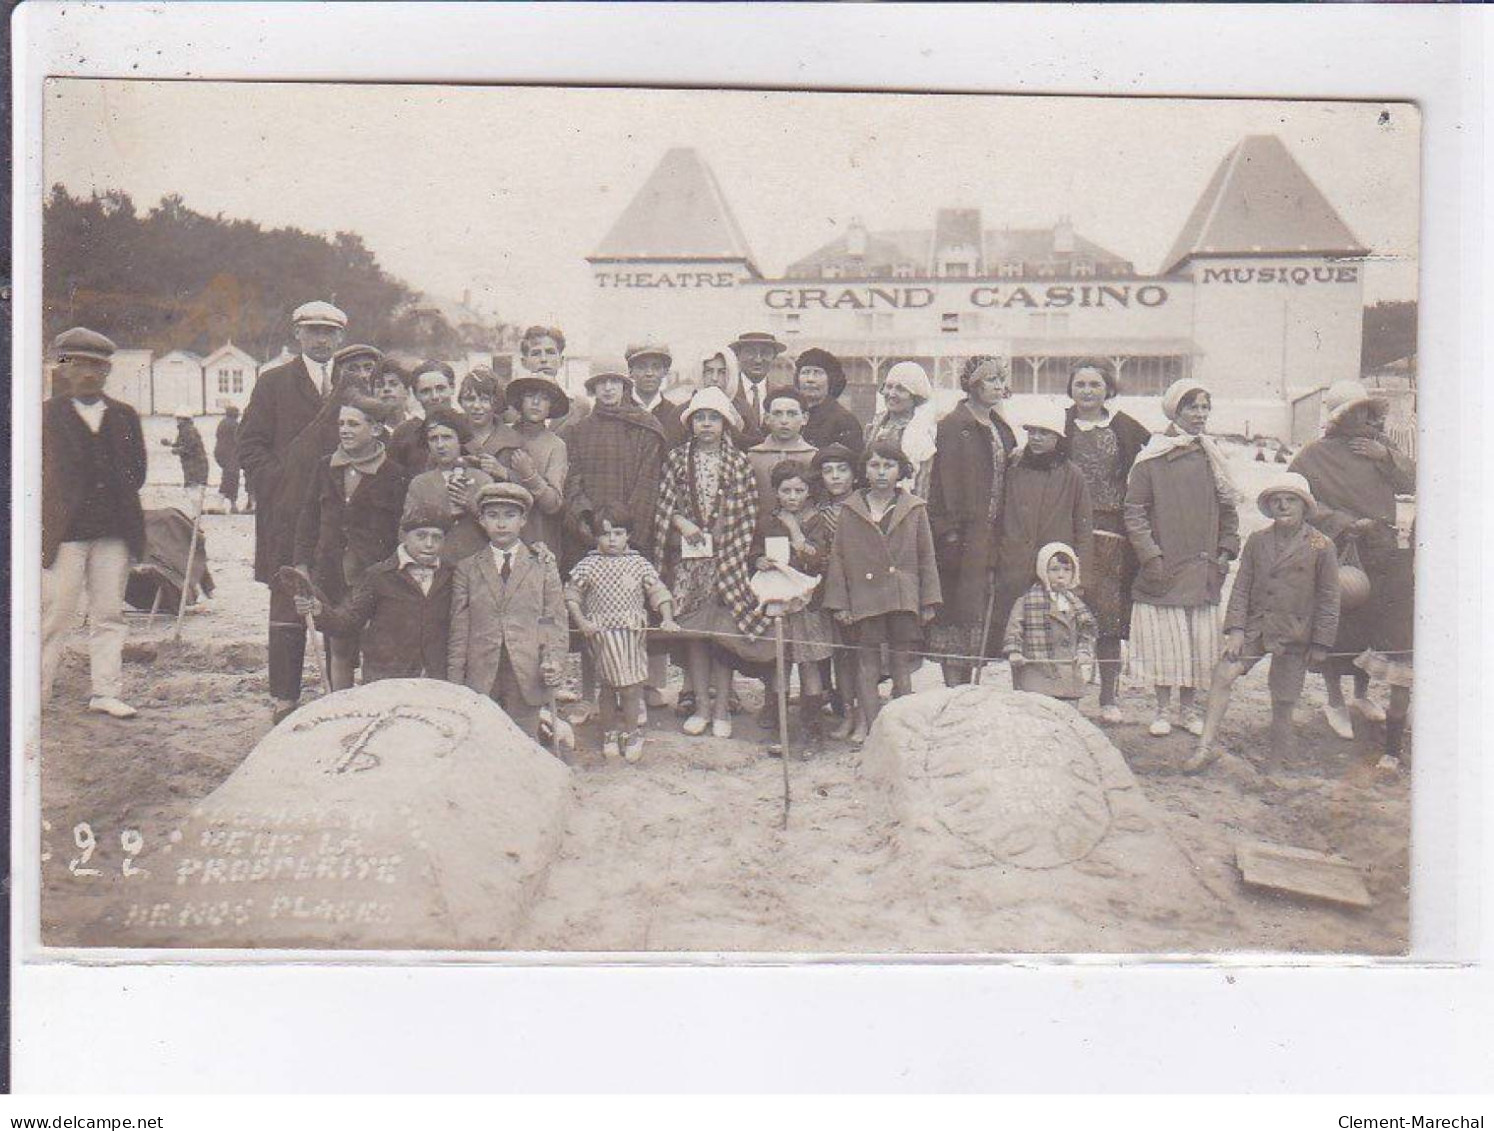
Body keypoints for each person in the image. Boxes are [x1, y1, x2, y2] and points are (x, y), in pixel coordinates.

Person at [238, 299, 347, 721]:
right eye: (313, 330)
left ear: (341, 336)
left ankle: (341, 695)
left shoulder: (352, 381)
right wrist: (279, 485)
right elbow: (249, 446)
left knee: (338, 596)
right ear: (297, 334)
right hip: (287, 514)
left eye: (330, 331)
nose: (322, 339)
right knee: (288, 601)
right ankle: (284, 698)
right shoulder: (274, 382)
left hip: (338, 513)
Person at [1289, 379, 1416, 740]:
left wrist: (1385, 457)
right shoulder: (1313, 454)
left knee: (1373, 623)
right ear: (1340, 418)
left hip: (1382, 549)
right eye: (1356, 411)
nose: (1364, 418)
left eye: (1367, 411)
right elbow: (1297, 501)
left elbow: (1414, 482)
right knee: (1336, 624)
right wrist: (1344, 523)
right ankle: (1334, 700)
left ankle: (1360, 695)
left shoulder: (1381, 448)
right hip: (1336, 551)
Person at [1190, 473, 1340, 773]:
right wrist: (1236, 629)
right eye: (1276, 501)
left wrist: (1322, 642)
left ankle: (1276, 761)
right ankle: (1204, 747)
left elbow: (1329, 598)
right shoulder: (1258, 541)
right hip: (1257, 627)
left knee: (1284, 699)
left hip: (1295, 633)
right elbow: (1242, 586)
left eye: (1290, 500)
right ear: (1269, 507)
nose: (1283, 506)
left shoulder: (1321, 546)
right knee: (1224, 673)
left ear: (1304, 506)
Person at [652, 386, 773, 739]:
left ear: (725, 424)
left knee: (721, 633)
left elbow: (747, 511)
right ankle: (702, 706)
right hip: (690, 561)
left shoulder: (737, 461)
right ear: (691, 423)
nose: (706, 425)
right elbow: (665, 504)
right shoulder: (677, 458)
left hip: (727, 558)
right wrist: (682, 523)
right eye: (700, 418)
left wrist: (726, 539)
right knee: (696, 634)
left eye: (713, 418)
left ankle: (722, 707)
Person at [1124, 379, 1242, 738]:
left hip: (1203, 561)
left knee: (1196, 641)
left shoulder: (1212, 455)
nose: (1200, 414)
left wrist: (1226, 548)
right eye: (1193, 407)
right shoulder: (1152, 456)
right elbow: (1134, 511)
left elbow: (1229, 507)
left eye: (1205, 407)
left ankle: (1188, 710)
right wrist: (1150, 555)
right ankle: (1161, 709)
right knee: (1165, 639)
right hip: (1165, 561)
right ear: (1175, 411)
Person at [41, 327, 147, 719]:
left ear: (108, 372)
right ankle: (37, 692)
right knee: (56, 614)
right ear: (62, 368)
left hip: (114, 533)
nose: (88, 373)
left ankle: (106, 691)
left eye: (97, 366)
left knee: (109, 614)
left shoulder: (124, 416)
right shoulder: (44, 416)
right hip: (64, 534)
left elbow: (138, 473)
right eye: (78, 364)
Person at [560, 360, 671, 718]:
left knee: (631, 617)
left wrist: (627, 532)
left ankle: (636, 695)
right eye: (600, 383)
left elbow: (647, 483)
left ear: (626, 386)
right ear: (592, 389)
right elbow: (571, 480)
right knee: (596, 616)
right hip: (591, 537)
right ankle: (594, 695)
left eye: (615, 382)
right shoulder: (577, 432)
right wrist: (589, 524)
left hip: (629, 539)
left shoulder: (645, 428)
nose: (608, 389)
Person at [823, 439, 942, 743]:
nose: (880, 472)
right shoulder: (851, 509)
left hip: (902, 596)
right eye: (874, 465)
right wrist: (840, 602)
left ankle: (901, 726)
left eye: (888, 466)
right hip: (865, 595)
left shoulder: (914, 508)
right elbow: (839, 557)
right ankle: (872, 724)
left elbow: (926, 555)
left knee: (901, 662)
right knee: (867, 663)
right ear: (864, 470)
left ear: (900, 470)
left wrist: (928, 599)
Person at [294, 396, 409, 692]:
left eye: (353, 424)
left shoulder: (394, 474)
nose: (344, 429)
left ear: (375, 429)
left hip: (375, 579)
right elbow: (308, 519)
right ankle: (339, 706)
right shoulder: (325, 467)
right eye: (341, 423)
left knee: (378, 650)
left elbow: (401, 529)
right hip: (332, 574)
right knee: (340, 648)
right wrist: (302, 565)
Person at [1063, 359, 1153, 723]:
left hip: (1112, 533)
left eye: (1094, 385)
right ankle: (1064, 694)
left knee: (1108, 619)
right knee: (1065, 610)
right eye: (1080, 384)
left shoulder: (1125, 428)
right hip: (1067, 531)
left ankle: (1108, 697)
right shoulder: (1059, 426)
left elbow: (1150, 467)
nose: (1086, 391)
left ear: (1108, 390)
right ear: (1071, 389)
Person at [448, 482, 568, 738]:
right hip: (481, 673)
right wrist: (455, 680)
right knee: (482, 740)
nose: (501, 524)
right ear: (480, 520)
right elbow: (460, 629)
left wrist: (551, 658)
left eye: (510, 516)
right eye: (493, 516)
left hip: (526, 670)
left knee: (524, 740)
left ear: (523, 519)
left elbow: (549, 618)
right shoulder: (468, 569)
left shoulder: (542, 565)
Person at [926, 355, 1017, 686]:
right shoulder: (955, 425)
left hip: (990, 535)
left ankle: (970, 689)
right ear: (973, 384)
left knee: (980, 611)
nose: (998, 386)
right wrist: (949, 533)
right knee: (955, 612)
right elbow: (945, 483)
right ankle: (954, 690)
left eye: (1000, 380)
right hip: (960, 536)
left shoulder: (1000, 427)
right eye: (990, 380)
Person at [565, 503, 680, 763]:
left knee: (630, 688)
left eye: (618, 533)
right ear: (596, 536)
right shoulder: (588, 564)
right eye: (605, 534)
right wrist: (582, 621)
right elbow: (572, 595)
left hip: (631, 635)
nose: (612, 540)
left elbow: (658, 593)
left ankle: (632, 732)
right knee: (606, 688)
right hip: (601, 636)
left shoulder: (638, 563)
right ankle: (609, 732)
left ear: (628, 534)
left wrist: (667, 618)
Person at [295, 508, 456, 683]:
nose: (429, 544)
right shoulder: (379, 576)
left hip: (436, 678)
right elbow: (348, 621)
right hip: (388, 678)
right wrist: (319, 611)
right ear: (404, 536)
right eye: (421, 536)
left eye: (437, 537)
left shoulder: (451, 575)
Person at [989, 400, 1095, 654]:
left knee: (1054, 637)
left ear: (1058, 437)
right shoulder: (1012, 469)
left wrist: (1080, 576)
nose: (1036, 438)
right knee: (1017, 638)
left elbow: (1084, 529)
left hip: (1055, 569)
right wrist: (995, 561)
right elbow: (998, 517)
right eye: (1032, 431)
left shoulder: (1072, 475)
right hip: (1014, 566)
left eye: (1044, 432)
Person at [752, 460, 836, 738]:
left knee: (809, 662)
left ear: (809, 492)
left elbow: (818, 558)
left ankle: (811, 722)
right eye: (786, 490)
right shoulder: (767, 521)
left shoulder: (816, 520)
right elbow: (753, 552)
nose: (792, 497)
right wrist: (759, 560)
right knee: (780, 661)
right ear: (776, 491)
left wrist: (795, 531)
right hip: (778, 601)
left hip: (807, 604)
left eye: (799, 491)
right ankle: (779, 722)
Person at [1003, 542, 1098, 702]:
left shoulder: (1076, 604)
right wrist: (1015, 652)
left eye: (1067, 570)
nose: (1061, 575)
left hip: (1068, 673)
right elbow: (1014, 629)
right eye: (1054, 569)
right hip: (1039, 672)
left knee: (1068, 714)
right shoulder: (1027, 601)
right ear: (1043, 571)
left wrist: (1084, 651)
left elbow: (1087, 630)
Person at [485, 374, 570, 553]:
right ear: (520, 400)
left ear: (551, 407)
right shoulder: (501, 434)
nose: (536, 402)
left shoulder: (555, 445)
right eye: (530, 395)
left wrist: (528, 476)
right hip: (497, 533)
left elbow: (553, 504)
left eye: (544, 398)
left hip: (537, 536)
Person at [812, 442, 861, 739]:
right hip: (824, 588)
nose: (835, 477)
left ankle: (858, 713)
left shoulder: (862, 506)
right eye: (828, 471)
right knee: (833, 651)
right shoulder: (818, 510)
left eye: (842, 470)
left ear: (855, 474)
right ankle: (840, 708)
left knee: (854, 655)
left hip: (855, 588)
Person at [401, 406, 493, 564]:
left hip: (478, 563)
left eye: (447, 437)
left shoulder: (481, 480)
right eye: (433, 439)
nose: (440, 445)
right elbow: (405, 532)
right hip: (437, 566)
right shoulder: (420, 484)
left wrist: (471, 505)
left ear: (459, 440)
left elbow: (499, 528)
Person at [865, 361, 939, 492]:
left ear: (915, 395)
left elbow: (923, 484)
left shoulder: (923, 433)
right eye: (889, 386)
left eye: (900, 389)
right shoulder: (874, 426)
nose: (892, 394)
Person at [745, 388, 819, 518]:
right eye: (778, 414)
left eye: (791, 414)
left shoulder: (813, 457)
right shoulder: (753, 457)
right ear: (767, 418)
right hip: (762, 530)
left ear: (804, 418)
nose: (784, 420)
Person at [388, 360, 457, 472]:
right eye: (426, 391)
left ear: (452, 388)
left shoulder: (468, 424)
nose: (434, 396)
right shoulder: (403, 433)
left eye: (440, 388)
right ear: (416, 395)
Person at [795, 347, 863, 453]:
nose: (810, 379)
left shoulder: (844, 421)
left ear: (831, 379)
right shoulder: (790, 414)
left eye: (817, 373)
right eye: (805, 372)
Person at [729, 330, 787, 445]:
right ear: (738, 355)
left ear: (774, 357)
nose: (758, 360)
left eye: (765, 353)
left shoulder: (782, 394)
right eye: (750, 352)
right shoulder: (728, 392)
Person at [626, 342, 688, 448]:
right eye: (641, 367)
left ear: (665, 372)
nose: (649, 373)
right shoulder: (619, 409)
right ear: (631, 371)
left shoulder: (675, 414)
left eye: (656, 367)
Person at [458, 368, 507, 457]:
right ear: (461, 402)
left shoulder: (512, 441)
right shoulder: (449, 436)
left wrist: (502, 471)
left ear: (496, 403)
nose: (476, 406)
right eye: (470, 399)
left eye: (485, 400)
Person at [164, 407, 209, 489]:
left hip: (195, 465)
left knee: (193, 489)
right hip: (193, 465)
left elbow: (189, 447)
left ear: (184, 419)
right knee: (192, 488)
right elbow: (181, 444)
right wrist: (169, 444)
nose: (177, 421)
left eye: (178, 419)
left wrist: (176, 450)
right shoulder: (185, 429)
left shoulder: (188, 430)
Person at [214, 404, 243, 513]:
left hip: (220, 454)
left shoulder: (221, 423)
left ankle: (225, 504)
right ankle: (230, 505)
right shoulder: (235, 425)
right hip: (231, 455)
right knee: (232, 479)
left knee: (227, 477)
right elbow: (239, 440)